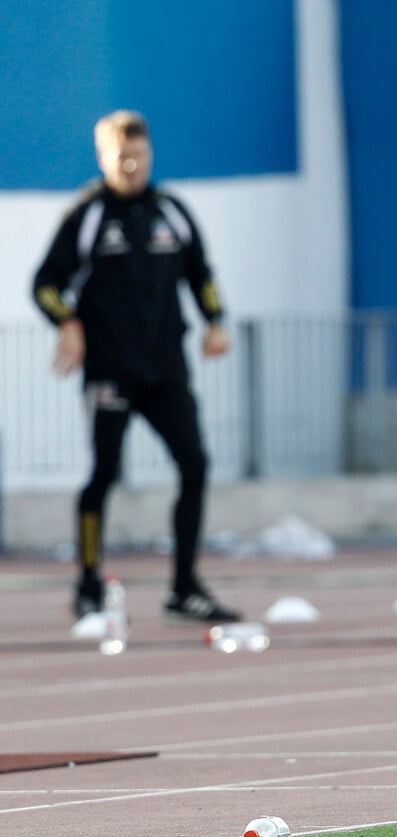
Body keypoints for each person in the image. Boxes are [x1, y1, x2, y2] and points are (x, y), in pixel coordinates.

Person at [32, 110, 242, 624]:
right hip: (110, 370)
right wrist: (69, 324)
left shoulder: (172, 211)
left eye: (140, 156)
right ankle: (87, 583)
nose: (132, 165)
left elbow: (202, 274)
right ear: (103, 158)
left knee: (195, 465)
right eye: (121, 157)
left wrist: (216, 320)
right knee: (103, 473)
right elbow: (44, 285)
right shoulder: (85, 216)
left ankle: (185, 587)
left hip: (166, 369)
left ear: (151, 155)